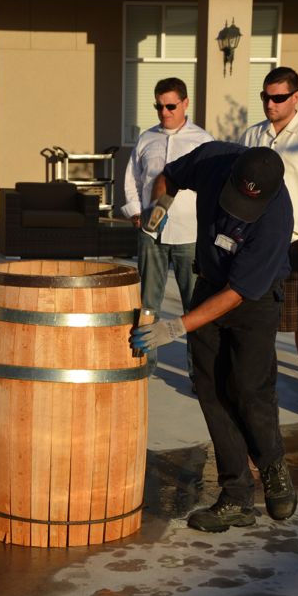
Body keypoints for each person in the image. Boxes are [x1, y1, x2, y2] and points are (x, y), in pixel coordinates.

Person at [130, 141, 298, 533]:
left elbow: (237, 294)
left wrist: (175, 327)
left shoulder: (275, 219)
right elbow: (169, 176)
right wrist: (160, 206)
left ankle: (273, 466)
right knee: (210, 390)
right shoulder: (211, 159)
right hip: (209, 282)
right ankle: (236, 496)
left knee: (248, 389)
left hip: (253, 299)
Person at [122, 77, 213, 382]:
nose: (164, 112)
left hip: (190, 234)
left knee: (194, 305)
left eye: (170, 106)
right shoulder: (146, 139)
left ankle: (198, 373)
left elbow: (214, 189)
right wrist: (136, 212)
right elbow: (132, 180)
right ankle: (144, 367)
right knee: (148, 302)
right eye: (159, 106)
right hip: (151, 235)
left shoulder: (202, 141)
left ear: (185, 103)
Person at [239, 67, 298, 418]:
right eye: (266, 97)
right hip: (255, 242)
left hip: (296, 242)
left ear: (296, 97)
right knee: (257, 318)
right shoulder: (252, 135)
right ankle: (259, 387)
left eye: (279, 98)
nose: (270, 104)